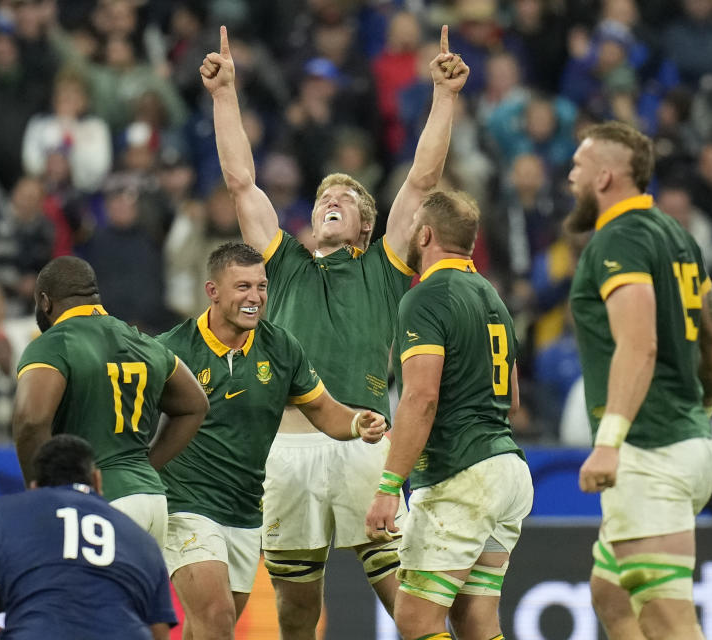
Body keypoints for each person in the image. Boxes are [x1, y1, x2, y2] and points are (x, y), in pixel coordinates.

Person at [200, 25, 469, 633]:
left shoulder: (382, 268)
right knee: (296, 611)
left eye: (346, 196)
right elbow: (242, 181)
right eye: (325, 194)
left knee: (409, 606)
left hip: (363, 448)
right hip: (285, 452)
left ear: (367, 227)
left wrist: (444, 97)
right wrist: (225, 96)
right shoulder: (284, 266)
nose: (332, 198)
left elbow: (422, 183)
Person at [156, 242, 387, 640]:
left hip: (245, 513)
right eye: (242, 287)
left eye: (261, 287)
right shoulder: (171, 350)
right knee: (216, 617)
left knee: (204, 628)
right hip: (187, 505)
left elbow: (323, 410)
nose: (255, 298)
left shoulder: (281, 347)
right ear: (212, 292)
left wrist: (357, 424)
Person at [565, 121, 712, 640]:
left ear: (605, 177)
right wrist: (697, 416)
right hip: (686, 441)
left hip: (647, 452)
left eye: (577, 166)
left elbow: (639, 344)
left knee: (668, 623)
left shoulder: (618, 240)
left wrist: (610, 443)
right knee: (611, 592)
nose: (570, 177)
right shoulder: (675, 235)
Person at [365, 191, 532, 640]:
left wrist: (387, 487)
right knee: (475, 620)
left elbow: (421, 399)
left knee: (416, 618)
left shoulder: (426, 298)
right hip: (507, 469)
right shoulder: (492, 299)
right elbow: (511, 399)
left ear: (425, 234)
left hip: (461, 473)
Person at [12, 256, 208, 546]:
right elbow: (196, 404)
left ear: (45, 302)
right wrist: (147, 466)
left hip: (98, 501)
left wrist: (42, 494)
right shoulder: (142, 341)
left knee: (83, 591)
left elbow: (31, 421)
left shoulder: (53, 343)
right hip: (152, 500)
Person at [0, 434, 176, 640]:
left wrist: (7, 594)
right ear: (97, 481)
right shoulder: (141, 539)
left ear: (34, 487)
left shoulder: (6, 512)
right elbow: (159, 634)